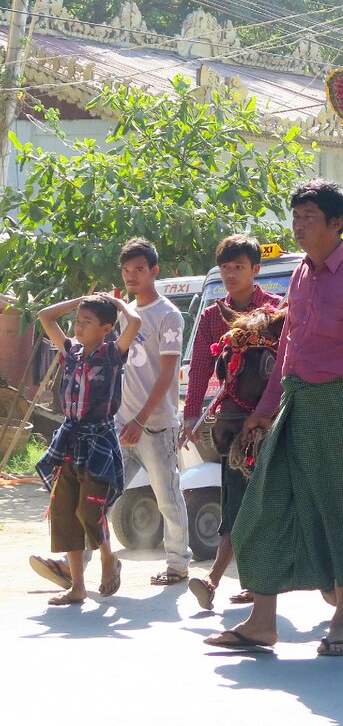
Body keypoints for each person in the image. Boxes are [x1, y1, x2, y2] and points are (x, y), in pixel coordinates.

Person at [203, 179, 343, 657]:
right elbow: (288, 352)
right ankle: (261, 624)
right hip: (294, 402)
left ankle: (341, 623)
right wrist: (261, 411)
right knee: (262, 507)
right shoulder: (299, 275)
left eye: (308, 218)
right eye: (294, 218)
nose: (297, 227)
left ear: (337, 223)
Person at [182, 235, 283, 611]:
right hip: (232, 421)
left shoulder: (276, 312)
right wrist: (192, 414)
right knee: (237, 497)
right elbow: (201, 371)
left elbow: (285, 370)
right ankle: (228, 580)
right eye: (225, 267)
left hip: (272, 419)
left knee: (270, 501)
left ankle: (249, 581)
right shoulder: (211, 317)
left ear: (256, 270)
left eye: (239, 267)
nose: (230, 274)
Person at [31, 294, 139, 605]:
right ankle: (77, 587)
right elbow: (45, 315)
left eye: (86, 322)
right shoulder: (71, 352)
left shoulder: (112, 354)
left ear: (106, 328)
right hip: (70, 438)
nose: (78, 327)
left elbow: (135, 322)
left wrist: (117, 305)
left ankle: (107, 558)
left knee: (90, 510)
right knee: (65, 513)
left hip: (99, 441)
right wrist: (80, 301)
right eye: (77, 322)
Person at [116, 238, 191, 585]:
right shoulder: (126, 314)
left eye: (139, 269)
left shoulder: (168, 315)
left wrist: (141, 420)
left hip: (156, 425)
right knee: (100, 495)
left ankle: (177, 565)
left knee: (167, 498)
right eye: (127, 270)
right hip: (121, 422)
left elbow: (167, 374)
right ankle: (88, 564)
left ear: (154, 271)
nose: (132, 276)